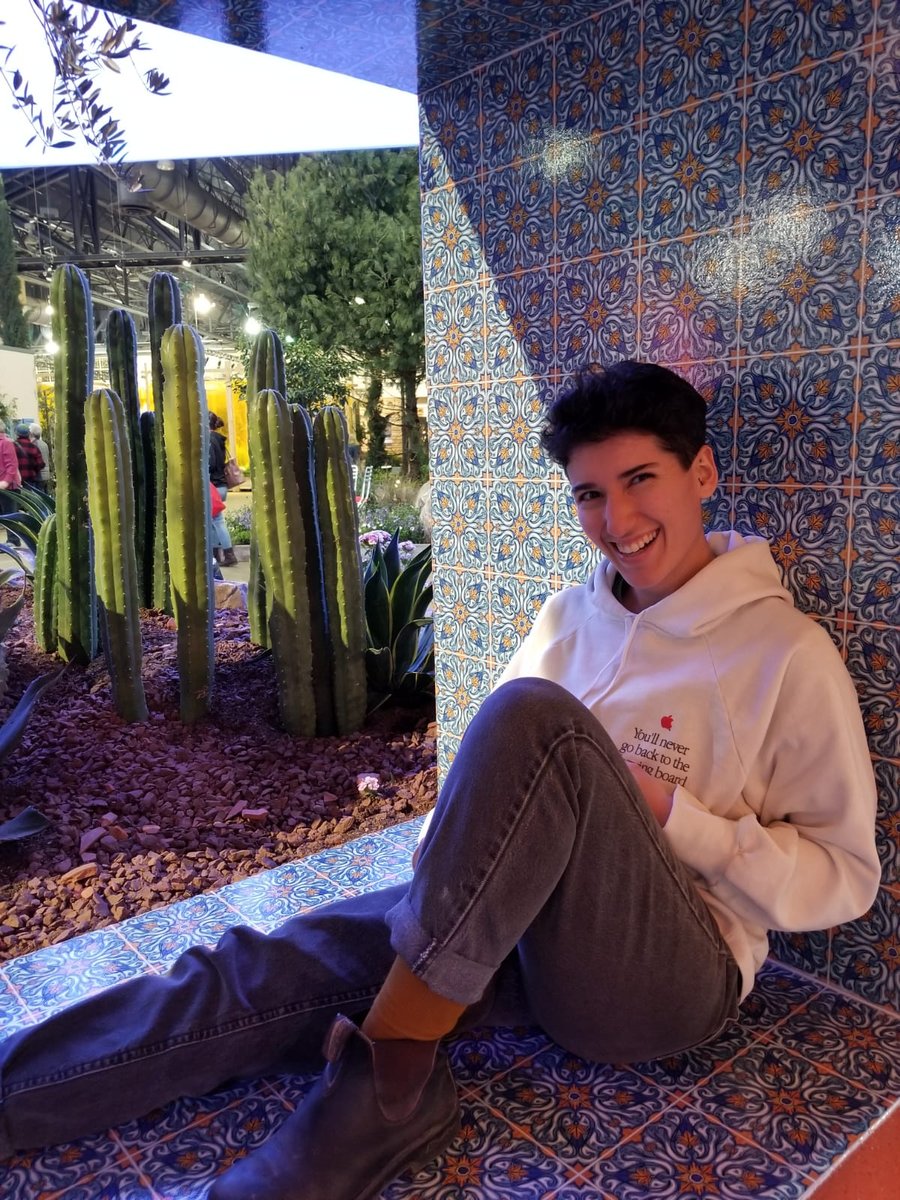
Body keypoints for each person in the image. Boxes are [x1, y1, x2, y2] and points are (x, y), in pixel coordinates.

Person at [0, 362, 879, 1200]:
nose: (617, 519)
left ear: (703, 474)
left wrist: (675, 816)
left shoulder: (783, 655)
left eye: (641, 479)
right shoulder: (569, 618)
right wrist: (441, 884)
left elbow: (845, 877)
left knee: (535, 719)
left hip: (664, 982)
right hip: (518, 932)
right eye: (589, 493)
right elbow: (492, 785)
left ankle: (387, 1083)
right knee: (259, 968)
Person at [208, 411, 238, 567]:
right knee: (213, 522)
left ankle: (228, 554)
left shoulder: (209, 439)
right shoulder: (218, 439)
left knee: (217, 522)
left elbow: (211, 463)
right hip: (221, 485)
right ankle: (217, 556)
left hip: (214, 486)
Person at [0, 423, 23, 545]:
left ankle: (13, 540)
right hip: (3, 485)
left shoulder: (6, 443)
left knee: (10, 514)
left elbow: (12, 465)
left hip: (9, 486)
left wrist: (6, 481)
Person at [13, 423, 44, 488]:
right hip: (30, 480)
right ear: (29, 434)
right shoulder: (34, 447)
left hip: (16, 481)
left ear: (17, 434)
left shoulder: (12, 446)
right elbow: (41, 464)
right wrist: (34, 470)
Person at [28, 423, 51, 491]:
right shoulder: (44, 444)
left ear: (31, 433)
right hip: (46, 474)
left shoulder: (33, 444)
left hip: (38, 476)